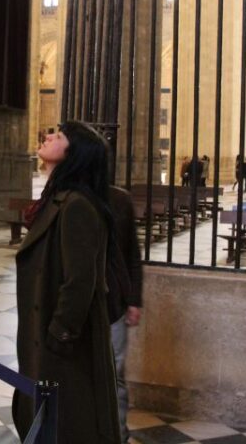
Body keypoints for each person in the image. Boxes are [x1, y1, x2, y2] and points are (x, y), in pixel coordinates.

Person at [12, 121, 120, 443]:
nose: (47, 136)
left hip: (62, 347)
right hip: (46, 338)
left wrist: (58, 335)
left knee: (69, 425)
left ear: (75, 153)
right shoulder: (60, 198)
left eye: (58, 136)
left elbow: (80, 281)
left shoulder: (77, 206)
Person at [107, 185, 143, 444]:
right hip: (76, 305)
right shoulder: (62, 195)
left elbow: (132, 252)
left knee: (115, 373)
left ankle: (118, 436)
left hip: (113, 303)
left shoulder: (119, 200)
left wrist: (134, 300)